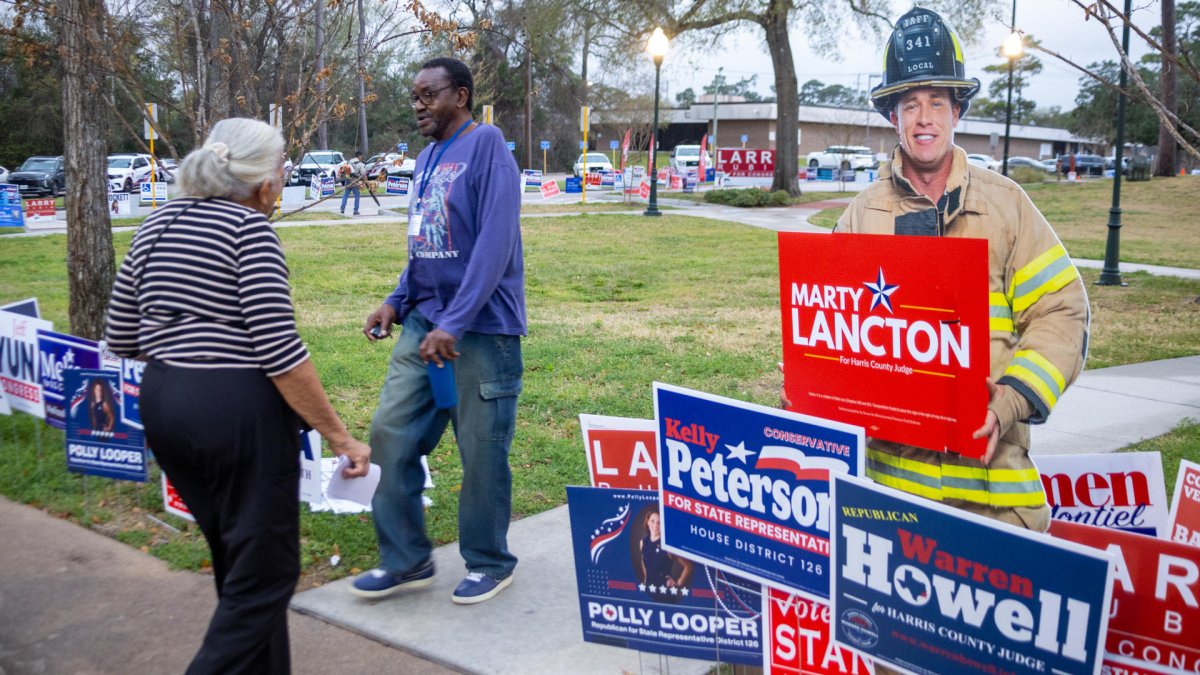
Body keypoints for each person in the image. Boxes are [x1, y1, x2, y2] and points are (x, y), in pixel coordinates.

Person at [105, 117, 371, 674]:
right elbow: (282, 355)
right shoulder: (249, 232)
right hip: (236, 413)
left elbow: (122, 337)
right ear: (264, 183)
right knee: (267, 576)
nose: (281, 180)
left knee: (240, 567)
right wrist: (341, 437)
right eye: (281, 167)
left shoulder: (154, 225)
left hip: (166, 405)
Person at [833, 7, 1090, 534]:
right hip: (890, 498)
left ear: (956, 111)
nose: (923, 117)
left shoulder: (1007, 207)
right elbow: (832, 333)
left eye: (936, 102)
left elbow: (1062, 312)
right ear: (893, 117)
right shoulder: (860, 217)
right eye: (909, 104)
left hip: (996, 497)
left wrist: (1009, 402)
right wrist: (817, 390)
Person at [351, 56, 525, 605]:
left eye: (429, 94)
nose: (418, 105)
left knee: (481, 450)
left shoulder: (487, 145)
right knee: (390, 434)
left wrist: (455, 320)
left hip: (481, 328)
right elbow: (425, 243)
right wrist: (396, 300)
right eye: (415, 96)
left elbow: (494, 247)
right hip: (425, 323)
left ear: (462, 96)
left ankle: (490, 561)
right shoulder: (427, 157)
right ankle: (406, 559)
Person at [636, 509, 692, 602]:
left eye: (659, 522)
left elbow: (688, 566)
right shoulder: (642, 543)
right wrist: (646, 577)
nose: (655, 525)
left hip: (664, 593)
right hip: (649, 590)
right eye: (652, 521)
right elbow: (643, 559)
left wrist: (678, 583)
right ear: (647, 522)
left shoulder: (667, 545)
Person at [340, 150, 366, 215]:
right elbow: (363, 173)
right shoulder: (360, 164)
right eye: (361, 156)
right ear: (359, 156)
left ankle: (342, 208)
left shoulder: (349, 162)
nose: (361, 157)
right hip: (355, 182)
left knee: (345, 195)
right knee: (357, 196)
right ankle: (355, 211)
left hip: (348, 180)